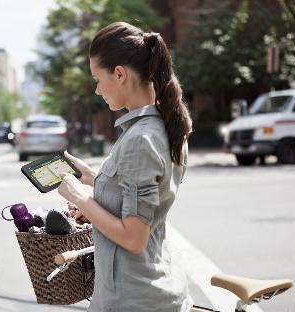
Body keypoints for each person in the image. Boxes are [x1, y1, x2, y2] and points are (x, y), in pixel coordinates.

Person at [57, 21, 193, 312]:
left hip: (133, 298)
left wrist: (79, 197)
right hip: (149, 288)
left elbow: (133, 237)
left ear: (119, 74)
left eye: (97, 78)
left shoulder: (140, 140)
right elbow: (140, 196)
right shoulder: (163, 126)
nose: (96, 89)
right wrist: (92, 178)